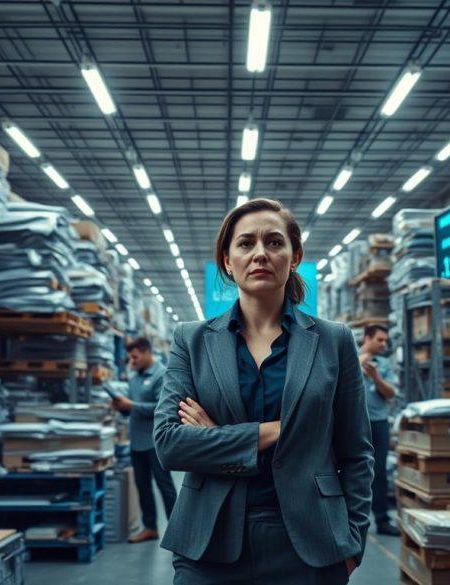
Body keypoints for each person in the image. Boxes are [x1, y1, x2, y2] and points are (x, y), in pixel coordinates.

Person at [152, 198, 373, 584]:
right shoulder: (192, 340)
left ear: (294, 256)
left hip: (309, 543)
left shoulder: (333, 341)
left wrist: (353, 544)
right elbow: (170, 444)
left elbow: (357, 452)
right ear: (227, 260)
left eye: (273, 242)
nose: (260, 254)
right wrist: (273, 431)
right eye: (245, 244)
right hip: (209, 541)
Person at [112, 337, 178, 543]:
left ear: (147, 352)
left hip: (156, 441)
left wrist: (130, 405)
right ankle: (150, 527)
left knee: (164, 485)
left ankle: (177, 529)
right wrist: (121, 408)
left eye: (135, 356)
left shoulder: (162, 375)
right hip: (137, 442)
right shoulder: (134, 378)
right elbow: (132, 409)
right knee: (142, 486)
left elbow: (162, 408)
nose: (132, 360)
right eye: (130, 357)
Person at [358, 324, 401, 536]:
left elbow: (391, 392)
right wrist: (358, 365)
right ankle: (350, 520)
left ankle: (382, 519)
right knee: (351, 469)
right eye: (380, 340)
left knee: (380, 471)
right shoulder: (350, 357)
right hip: (354, 423)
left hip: (378, 422)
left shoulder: (384, 364)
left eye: (385, 340)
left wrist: (376, 376)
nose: (384, 344)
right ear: (367, 338)